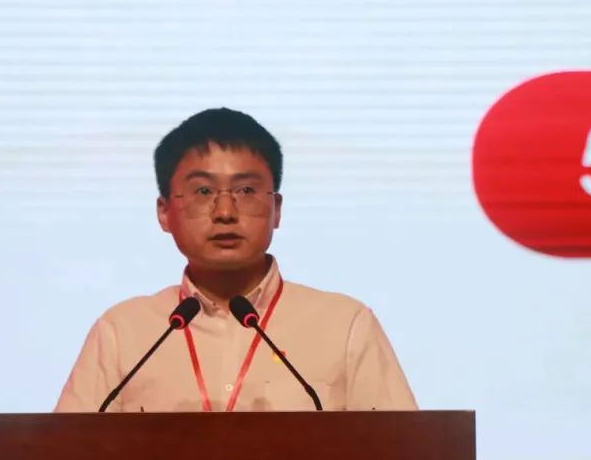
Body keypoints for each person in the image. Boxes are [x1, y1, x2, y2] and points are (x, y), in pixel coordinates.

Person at [54, 108, 417, 413]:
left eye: (245, 190)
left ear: (276, 209)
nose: (225, 212)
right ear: (164, 213)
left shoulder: (345, 326)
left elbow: (403, 458)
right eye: (203, 191)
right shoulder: (122, 333)